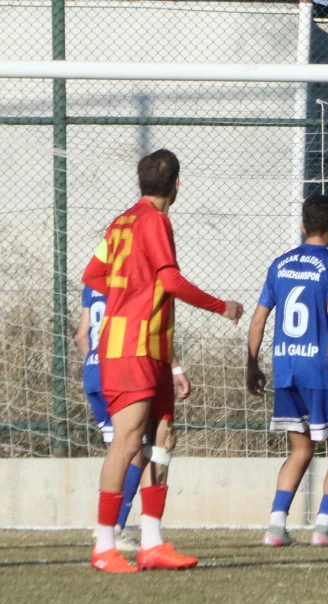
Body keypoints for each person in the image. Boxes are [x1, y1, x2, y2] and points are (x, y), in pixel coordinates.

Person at [82, 149, 244, 573]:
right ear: (176, 185)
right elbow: (169, 279)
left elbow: (94, 275)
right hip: (128, 347)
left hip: (151, 346)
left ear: (141, 182)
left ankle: (152, 542)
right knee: (128, 441)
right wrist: (220, 306)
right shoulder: (154, 220)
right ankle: (104, 547)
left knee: (164, 437)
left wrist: (133, 289)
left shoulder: (120, 222)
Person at [246, 194, 328, 547]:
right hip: (323, 370)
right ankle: (323, 529)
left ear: (302, 225)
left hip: (286, 368)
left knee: (300, 450)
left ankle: (276, 528)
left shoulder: (279, 264)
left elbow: (259, 317)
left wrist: (251, 363)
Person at [76, 248, 146, 553]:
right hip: (118, 370)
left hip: (92, 372)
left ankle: (110, 526)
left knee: (118, 450)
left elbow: (82, 335)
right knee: (136, 450)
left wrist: (94, 362)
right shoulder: (130, 280)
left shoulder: (92, 283)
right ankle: (113, 526)